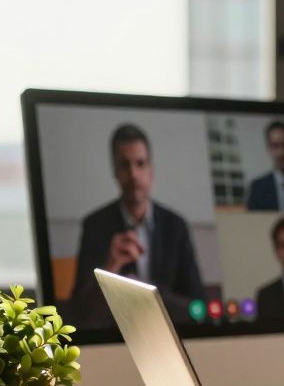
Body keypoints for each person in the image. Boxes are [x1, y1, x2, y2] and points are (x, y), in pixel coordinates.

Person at [68, 123, 204, 328]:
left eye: (140, 163)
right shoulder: (94, 226)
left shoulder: (176, 226)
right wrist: (109, 268)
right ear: (115, 171)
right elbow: (78, 313)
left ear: (152, 170)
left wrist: (148, 293)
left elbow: (197, 307)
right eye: (125, 165)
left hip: (167, 333)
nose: (133, 174)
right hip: (114, 337)